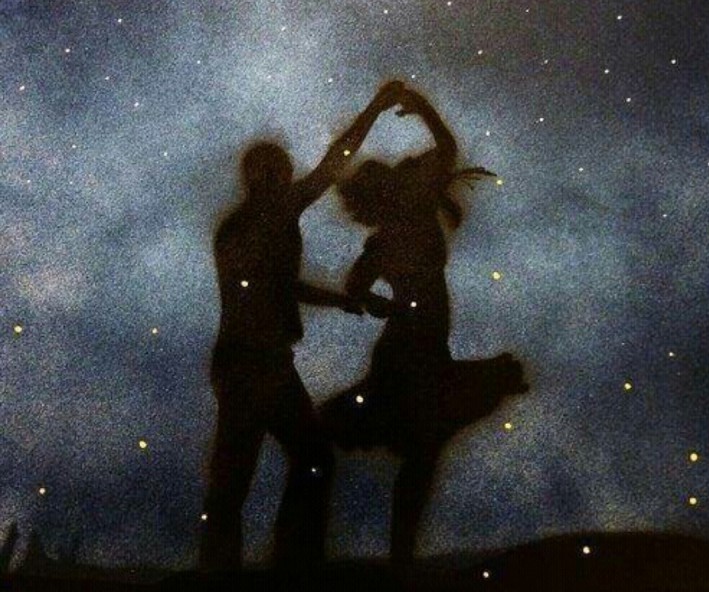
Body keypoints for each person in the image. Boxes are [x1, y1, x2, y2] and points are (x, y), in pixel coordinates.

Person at [199, 80, 405, 575]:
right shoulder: (263, 218)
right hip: (253, 365)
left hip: (260, 363)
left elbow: (278, 286)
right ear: (262, 176)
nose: (288, 178)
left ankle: (279, 565)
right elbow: (334, 163)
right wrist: (374, 107)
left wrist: (345, 299)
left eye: (285, 171)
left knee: (283, 466)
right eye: (279, 171)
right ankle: (274, 567)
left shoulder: (248, 225)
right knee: (255, 475)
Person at [320, 87, 529, 567]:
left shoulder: (405, 221)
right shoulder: (387, 238)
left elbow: (446, 150)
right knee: (422, 449)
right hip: (408, 349)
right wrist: (376, 303)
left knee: (423, 451)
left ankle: (402, 557)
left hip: (423, 346)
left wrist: (423, 107)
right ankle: (399, 558)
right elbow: (354, 288)